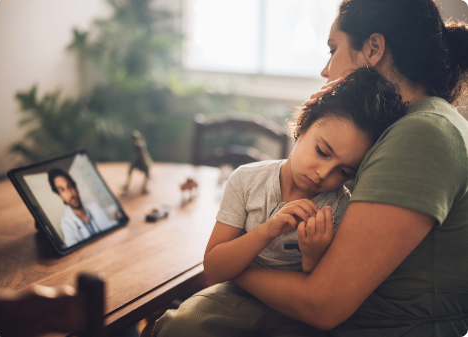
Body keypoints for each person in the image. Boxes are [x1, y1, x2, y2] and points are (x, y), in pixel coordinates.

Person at [149, 0, 468, 335]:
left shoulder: (421, 134)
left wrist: (230, 266)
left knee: (178, 326)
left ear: (374, 48)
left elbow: (323, 304)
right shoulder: (406, 126)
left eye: (333, 50)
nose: (326, 70)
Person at [150, 67, 408, 336]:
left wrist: (312, 256)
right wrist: (268, 230)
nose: (323, 174)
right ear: (303, 124)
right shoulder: (247, 180)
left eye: (344, 172)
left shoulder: (341, 206)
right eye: (322, 151)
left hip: (292, 311)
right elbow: (214, 268)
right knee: (179, 326)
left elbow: (318, 292)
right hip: (233, 297)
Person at [48, 168, 117, 247]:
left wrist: (118, 220)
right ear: (61, 197)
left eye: (70, 186)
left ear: (76, 189)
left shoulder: (94, 207)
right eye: (62, 190)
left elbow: (108, 226)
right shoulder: (66, 223)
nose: (70, 194)